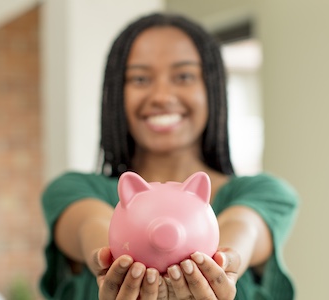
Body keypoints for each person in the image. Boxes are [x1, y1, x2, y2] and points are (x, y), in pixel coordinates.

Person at [39, 12, 299, 300]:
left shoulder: (265, 194)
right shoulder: (71, 190)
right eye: (140, 78)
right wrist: (118, 261)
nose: (162, 95)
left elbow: (243, 229)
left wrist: (222, 261)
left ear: (212, 89)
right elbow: (93, 226)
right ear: (116, 94)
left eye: (184, 76)